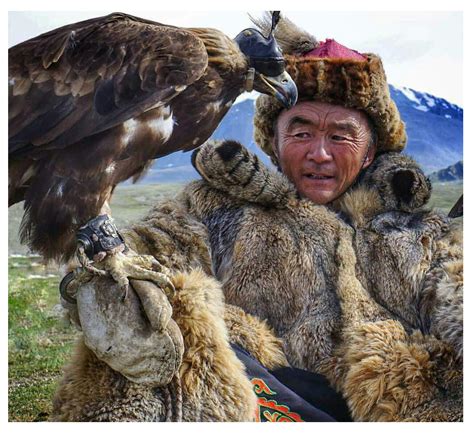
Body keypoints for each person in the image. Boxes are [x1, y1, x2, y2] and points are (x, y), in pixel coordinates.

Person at [53, 15, 462, 422]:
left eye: (340, 136)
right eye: (301, 133)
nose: (319, 153)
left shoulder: (417, 233)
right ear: (274, 143)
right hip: (248, 405)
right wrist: (113, 279)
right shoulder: (212, 207)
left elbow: (455, 289)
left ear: (370, 151)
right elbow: (148, 249)